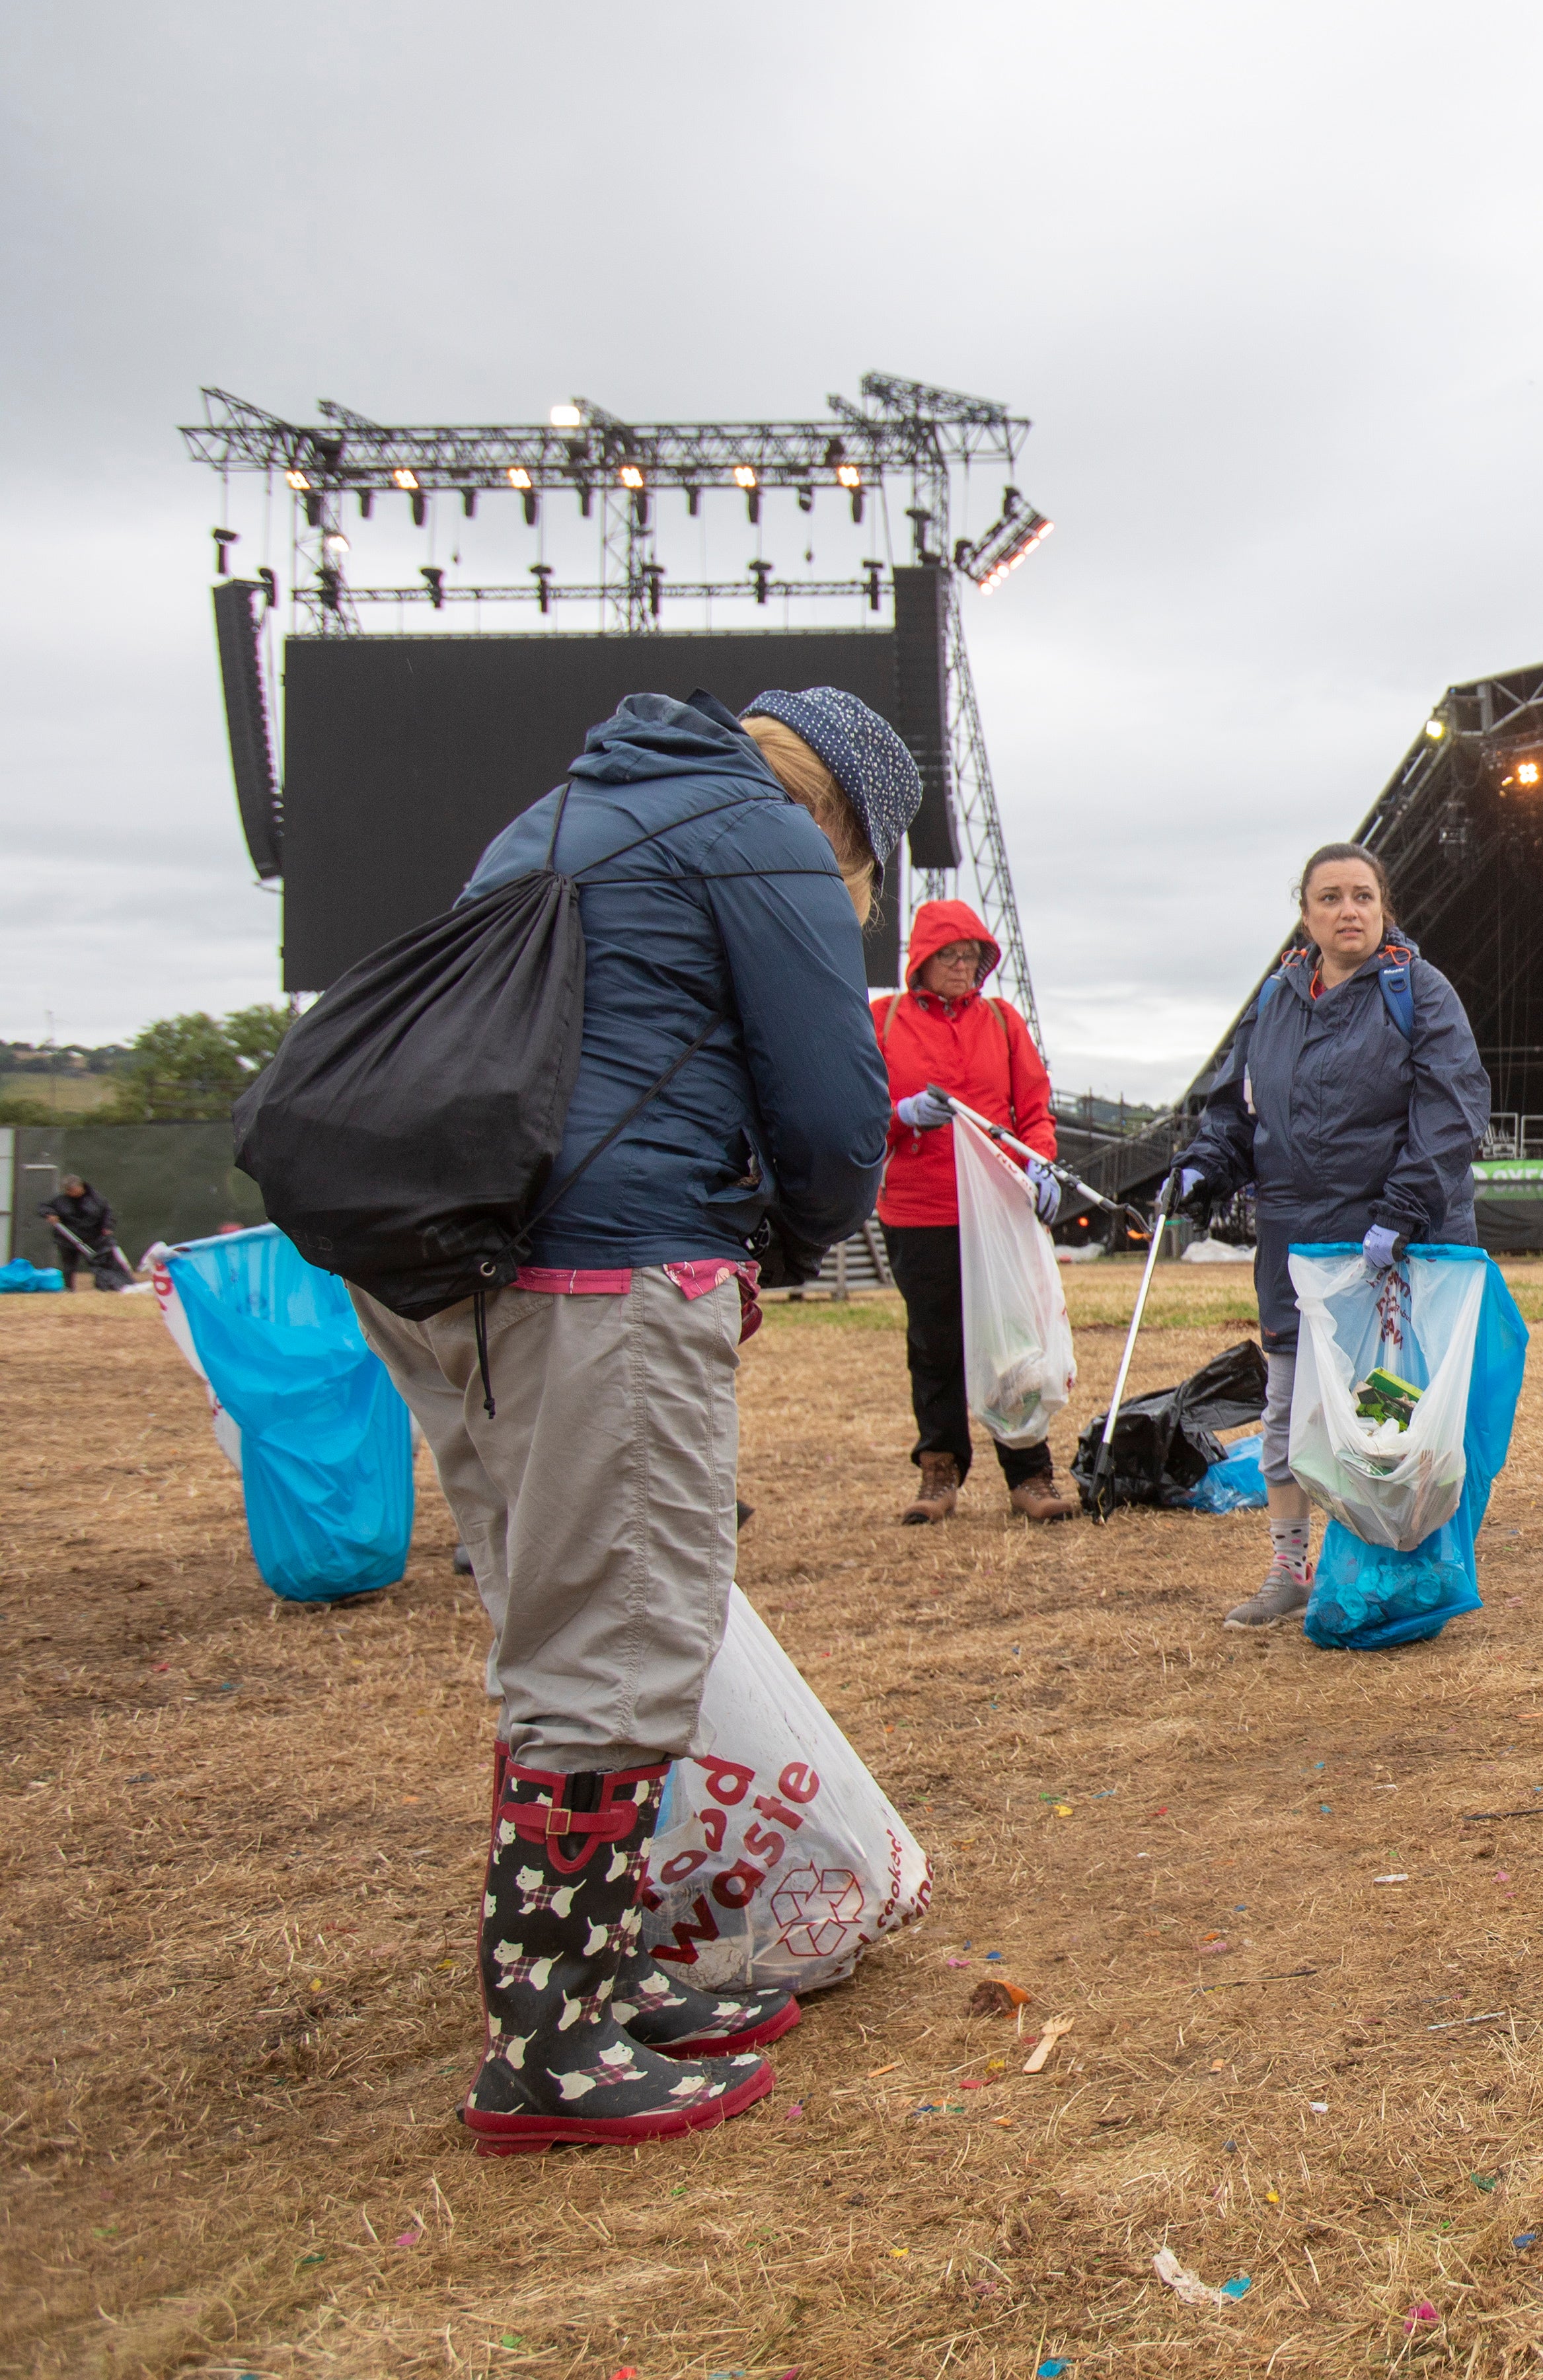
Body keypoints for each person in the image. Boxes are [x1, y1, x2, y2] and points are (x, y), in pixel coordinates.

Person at [346, 686, 897, 2153]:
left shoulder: (563, 812)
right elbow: (839, 1109)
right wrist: (772, 1245)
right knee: (619, 1636)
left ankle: (602, 1972)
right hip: (604, 1268)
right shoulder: (761, 839)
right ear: (842, 814)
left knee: (557, 1617)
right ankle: (551, 2045)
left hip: (454, 1268)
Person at [1164, 842, 1489, 1630]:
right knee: (1286, 1413)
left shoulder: (1419, 992)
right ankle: (1288, 1568)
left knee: (1385, 1414)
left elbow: (1451, 1109)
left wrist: (1403, 1211)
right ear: (1305, 915)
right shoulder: (1275, 1000)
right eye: (1331, 898)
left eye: (1364, 897)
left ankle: (1392, 1569)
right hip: (1298, 1247)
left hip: (1390, 1249)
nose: (1350, 910)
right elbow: (1236, 1111)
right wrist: (1205, 1167)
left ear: (1384, 908)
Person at [875, 901, 1074, 1526]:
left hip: (996, 1206)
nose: (964, 967)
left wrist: (1039, 1164)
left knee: (1012, 1343)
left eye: (973, 956)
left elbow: (1033, 1109)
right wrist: (898, 1115)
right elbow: (852, 1112)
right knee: (933, 1344)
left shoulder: (1003, 1021)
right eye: (951, 956)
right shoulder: (882, 1022)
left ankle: (1029, 1471)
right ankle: (940, 1471)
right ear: (922, 961)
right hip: (919, 1206)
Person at [40, 1175, 128, 1290]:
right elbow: (43, 1206)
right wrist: (49, 1214)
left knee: (98, 1263)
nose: (71, 1193)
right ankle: (68, 1287)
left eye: (73, 1190)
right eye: (68, 1190)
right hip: (68, 1239)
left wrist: (108, 1226)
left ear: (81, 1187)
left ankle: (104, 1285)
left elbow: (108, 1212)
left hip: (92, 1238)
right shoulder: (60, 1200)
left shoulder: (96, 1199)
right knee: (69, 1265)